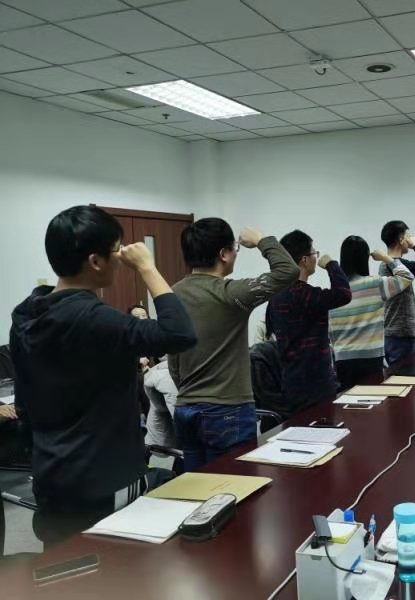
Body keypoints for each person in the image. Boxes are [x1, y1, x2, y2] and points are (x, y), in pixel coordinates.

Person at [9, 205, 196, 545]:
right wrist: (147, 267)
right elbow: (180, 333)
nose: (121, 260)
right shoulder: (95, 319)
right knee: (119, 562)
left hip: (52, 474)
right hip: (105, 478)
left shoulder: (26, 316)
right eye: (117, 252)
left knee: (66, 565)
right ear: (95, 261)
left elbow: (25, 403)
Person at [169, 218, 298, 471]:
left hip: (185, 409)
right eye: (234, 248)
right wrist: (261, 240)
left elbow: (173, 357)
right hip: (227, 410)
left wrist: (188, 393)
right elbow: (288, 271)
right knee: (234, 485)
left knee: (195, 487)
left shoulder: (172, 293)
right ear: (224, 254)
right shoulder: (230, 293)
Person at [266, 230, 351, 418]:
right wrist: (331, 264)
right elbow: (344, 293)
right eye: (314, 253)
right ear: (304, 260)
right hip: (315, 383)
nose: (316, 257)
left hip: (292, 381)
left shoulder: (275, 296)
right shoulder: (304, 294)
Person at [330, 236, 414, 389]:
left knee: (347, 401)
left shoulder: (336, 292)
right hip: (370, 358)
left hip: (342, 360)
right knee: (372, 401)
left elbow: (332, 333)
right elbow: (407, 276)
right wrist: (387, 258)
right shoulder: (374, 284)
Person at [379, 221, 415, 368]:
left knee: (403, 374)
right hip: (400, 333)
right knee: (403, 375)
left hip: (397, 332)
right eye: (407, 236)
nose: (409, 238)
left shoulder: (393, 264)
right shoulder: (393, 265)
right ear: (401, 239)